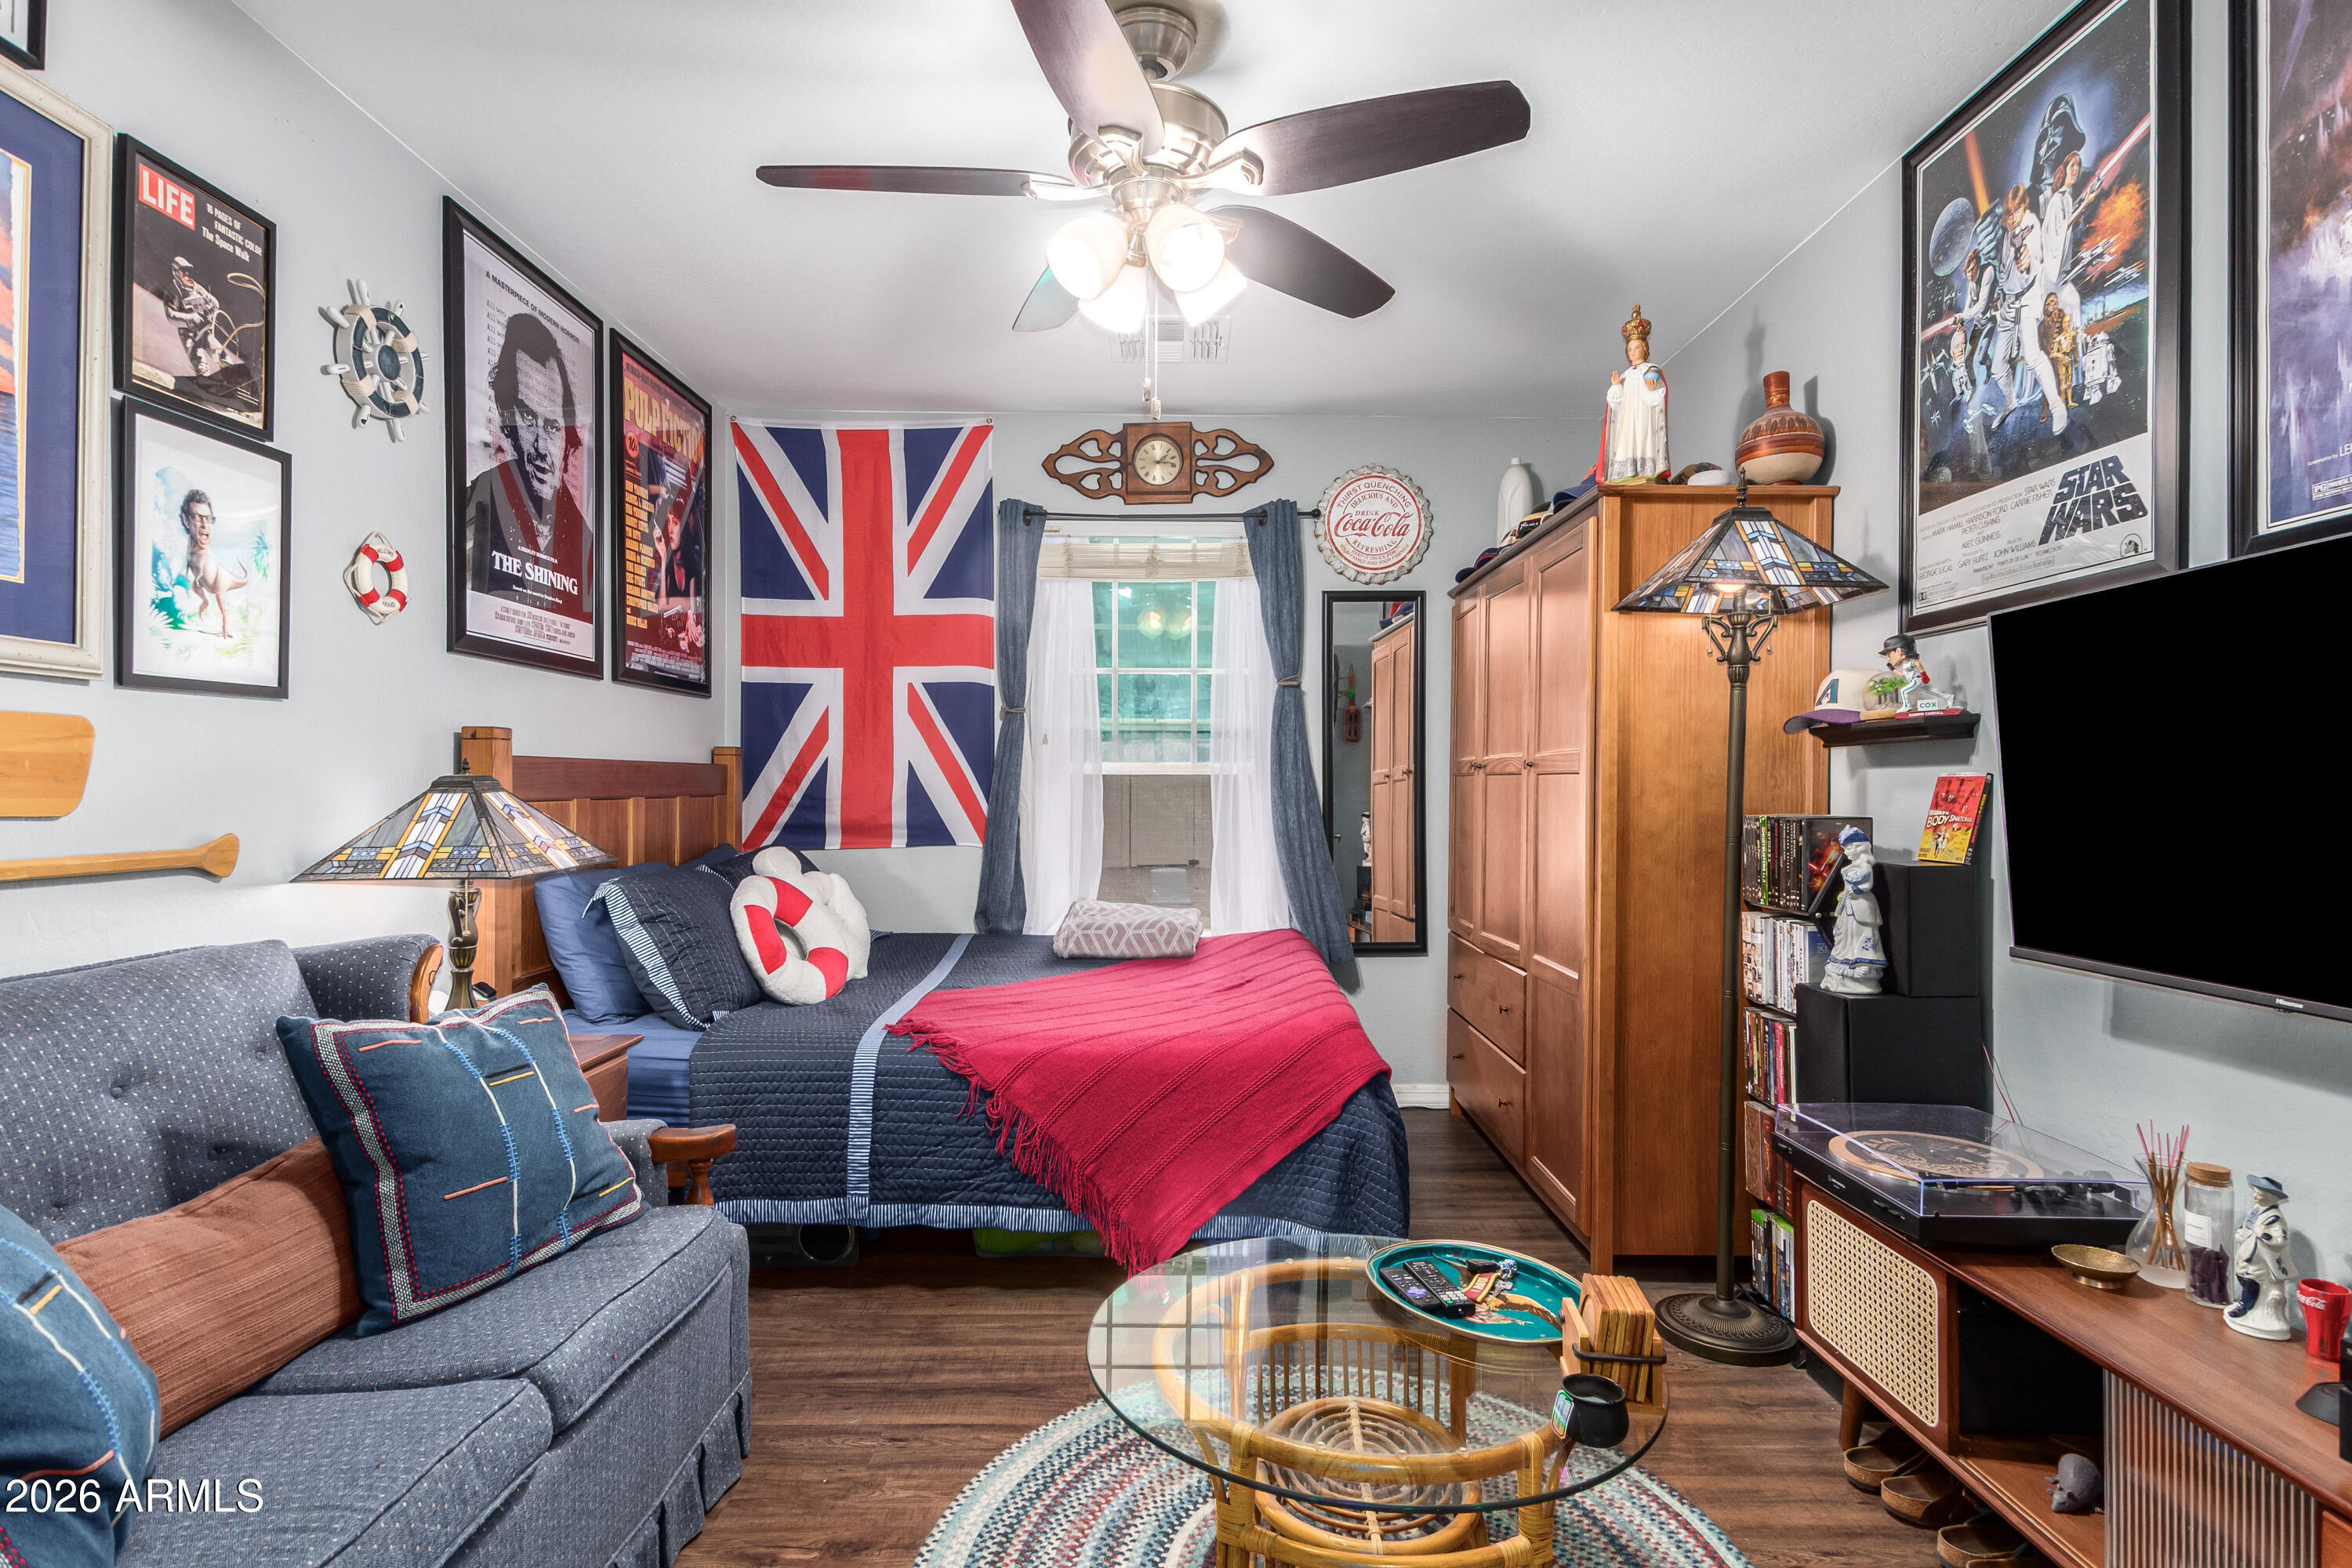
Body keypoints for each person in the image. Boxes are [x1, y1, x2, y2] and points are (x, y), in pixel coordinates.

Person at [464, 312, 591, 622]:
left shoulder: (588, 545)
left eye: (552, 426)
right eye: (528, 419)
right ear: (508, 422)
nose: (540, 446)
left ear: (568, 436)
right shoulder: (472, 503)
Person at [1597, 304, 1668, 482]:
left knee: (1645, 436)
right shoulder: (1625, 376)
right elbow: (1616, 406)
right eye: (1630, 349)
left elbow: (1658, 400)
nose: (1633, 352)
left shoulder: (1652, 369)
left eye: (1636, 347)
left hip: (1644, 413)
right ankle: (1626, 471)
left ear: (1645, 348)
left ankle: (1645, 469)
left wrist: (1652, 390)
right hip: (1628, 417)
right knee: (1626, 439)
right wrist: (1615, 386)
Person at [179, 487, 246, 638]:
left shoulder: (205, 555)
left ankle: (225, 628)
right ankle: (205, 603)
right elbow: (191, 563)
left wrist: (197, 576)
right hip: (203, 584)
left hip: (218, 581)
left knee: (220, 600)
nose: (204, 524)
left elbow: (201, 568)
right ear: (186, 520)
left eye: (208, 518)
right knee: (196, 589)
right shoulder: (190, 550)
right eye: (197, 517)